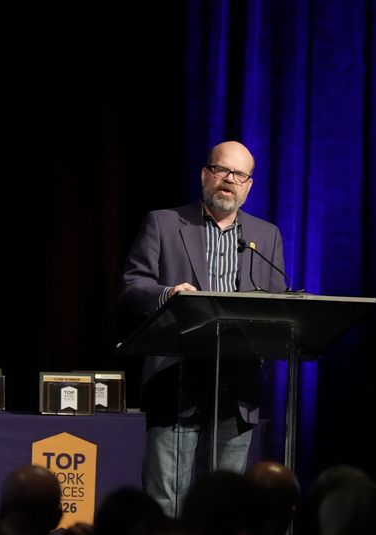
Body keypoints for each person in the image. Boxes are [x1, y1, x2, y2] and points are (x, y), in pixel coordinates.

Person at [119, 140, 288, 517]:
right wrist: (168, 294)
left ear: (248, 185)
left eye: (238, 175)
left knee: (226, 504)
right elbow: (132, 286)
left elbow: (277, 299)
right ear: (205, 174)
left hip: (238, 381)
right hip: (176, 376)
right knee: (165, 497)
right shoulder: (164, 223)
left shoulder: (267, 235)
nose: (229, 180)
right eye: (222, 171)